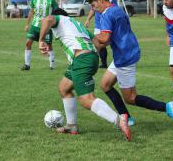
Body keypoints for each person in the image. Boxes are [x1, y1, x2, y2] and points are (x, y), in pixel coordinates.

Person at [88, 0, 173, 126]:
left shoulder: (107, 14)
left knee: (130, 98)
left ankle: (166, 107)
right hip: (126, 52)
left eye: (94, 5)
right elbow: (109, 39)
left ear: (100, 0)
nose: (94, 9)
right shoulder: (116, 9)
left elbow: (105, 38)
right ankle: (127, 118)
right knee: (105, 85)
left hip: (124, 57)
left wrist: (88, 38)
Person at [38, 8, 131, 141]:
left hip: (82, 59)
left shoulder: (59, 19)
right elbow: (98, 44)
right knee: (64, 88)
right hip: (89, 57)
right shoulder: (78, 25)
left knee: (86, 99)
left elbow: (47, 19)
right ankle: (72, 126)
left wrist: (41, 40)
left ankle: (119, 120)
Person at [21, 0, 59, 70]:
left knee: (49, 45)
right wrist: (27, 24)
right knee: (28, 43)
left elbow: (56, 12)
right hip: (35, 26)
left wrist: (54, 24)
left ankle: (52, 65)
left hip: (46, 27)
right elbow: (31, 11)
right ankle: (27, 65)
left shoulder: (51, 0)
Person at [85, 0, 117, 68]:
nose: (94, 8)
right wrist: (88, 19)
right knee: (100, 44)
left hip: (108, 24)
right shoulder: (96, 2)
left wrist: (87, 39)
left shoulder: (110, 2)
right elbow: (92, 10)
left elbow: (115, 8)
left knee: (104, 42)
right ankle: (103, 63)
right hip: (98, 25)